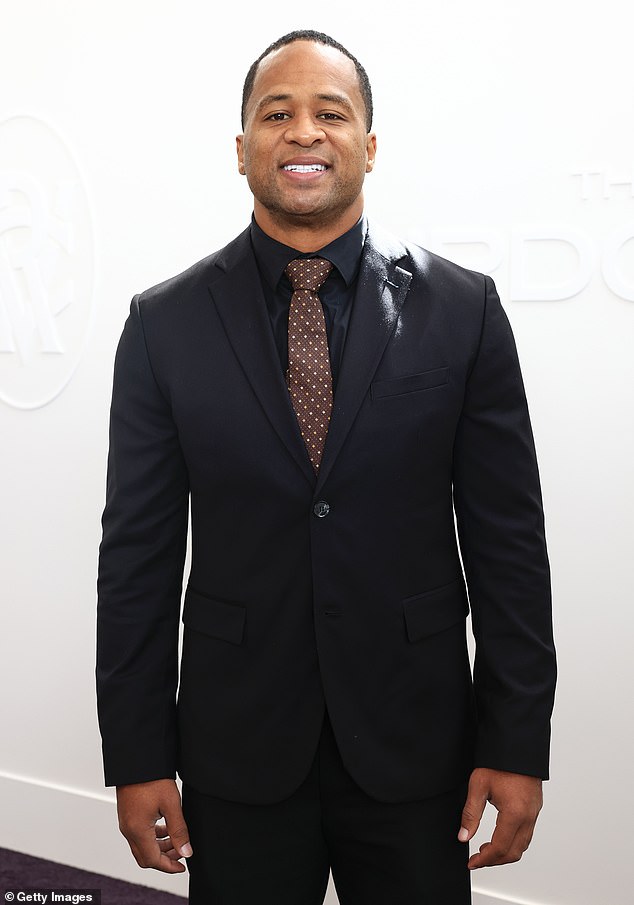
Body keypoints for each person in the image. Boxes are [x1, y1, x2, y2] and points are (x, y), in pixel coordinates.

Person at [97, 30, 556, 905]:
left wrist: (516, 739)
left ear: (369, 146)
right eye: (277, 113)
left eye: (329, 112)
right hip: (238, 750)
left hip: (419, 745)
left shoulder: (466, 312)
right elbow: (136, 564)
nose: (302, 131)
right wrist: (137, 752)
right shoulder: (164, 324)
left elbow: (509, 549)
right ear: (241, 150)